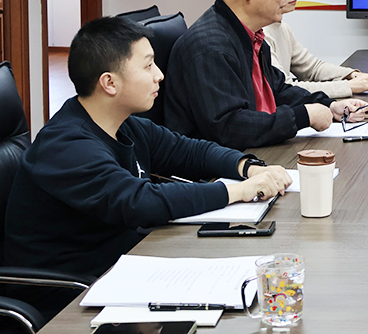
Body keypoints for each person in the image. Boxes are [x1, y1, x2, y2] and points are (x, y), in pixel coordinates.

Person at [4, 17, 293, 316]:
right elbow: (140, 201)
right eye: (148, 66)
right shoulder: (66, 145)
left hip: (125, 266)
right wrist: (239, 191)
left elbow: (190, 151)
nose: (159, 75)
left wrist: (248, 168)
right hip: (69, 294)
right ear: (109, 83)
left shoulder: (122, 124)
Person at [165, 0, 368, 149]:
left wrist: (329, 105)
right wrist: (303, 116)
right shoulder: (210, 47)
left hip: (252, 152)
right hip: (221, 164)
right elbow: (229, 128)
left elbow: (278, 90)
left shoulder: (251, 35)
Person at [264, 0, 368, 98]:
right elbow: (285, 89)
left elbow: (312, 68)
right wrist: (348, 86)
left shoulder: (281, 27)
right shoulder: (260, 33)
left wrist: (352, 75)